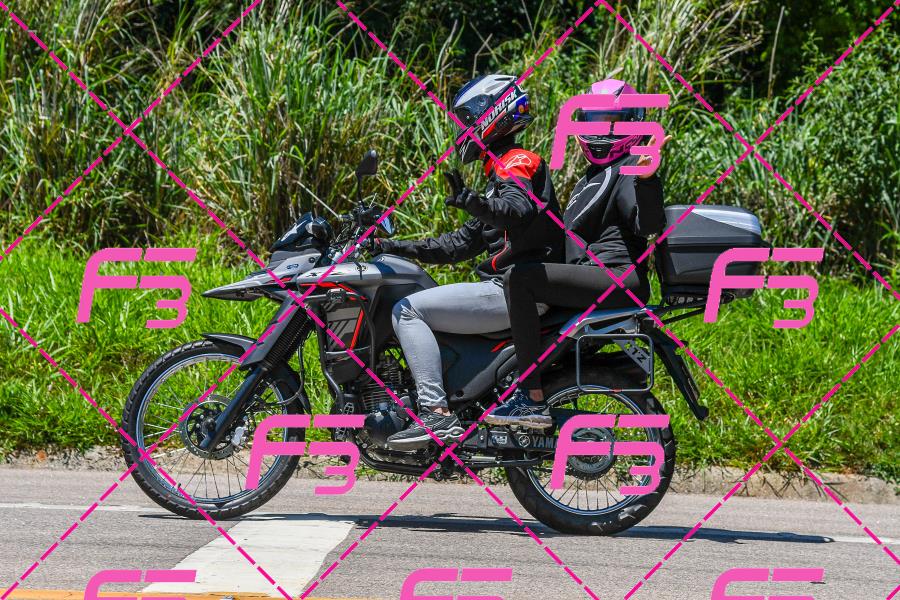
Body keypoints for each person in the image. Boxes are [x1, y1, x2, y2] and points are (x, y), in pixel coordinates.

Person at [366, 74, 564, 447]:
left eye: (468, 119)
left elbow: (516, 209)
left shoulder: (518, 161)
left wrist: (475, 203)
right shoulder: (498, 174)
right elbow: (457, 245)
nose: (464, 129)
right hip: (510, 288)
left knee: (407, 310)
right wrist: (393, 246)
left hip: (514, 289)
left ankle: (436, 415)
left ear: (492, 113)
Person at [485, 78, 672, 428]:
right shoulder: (592, 176)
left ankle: (530, 398)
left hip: (616, 277)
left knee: (521, 280)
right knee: (522, 276)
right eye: (593, 121)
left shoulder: (629, 169)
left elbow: (646, 224)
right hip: (594, 275)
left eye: (611, 123)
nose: (600, 131)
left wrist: (647, 179)